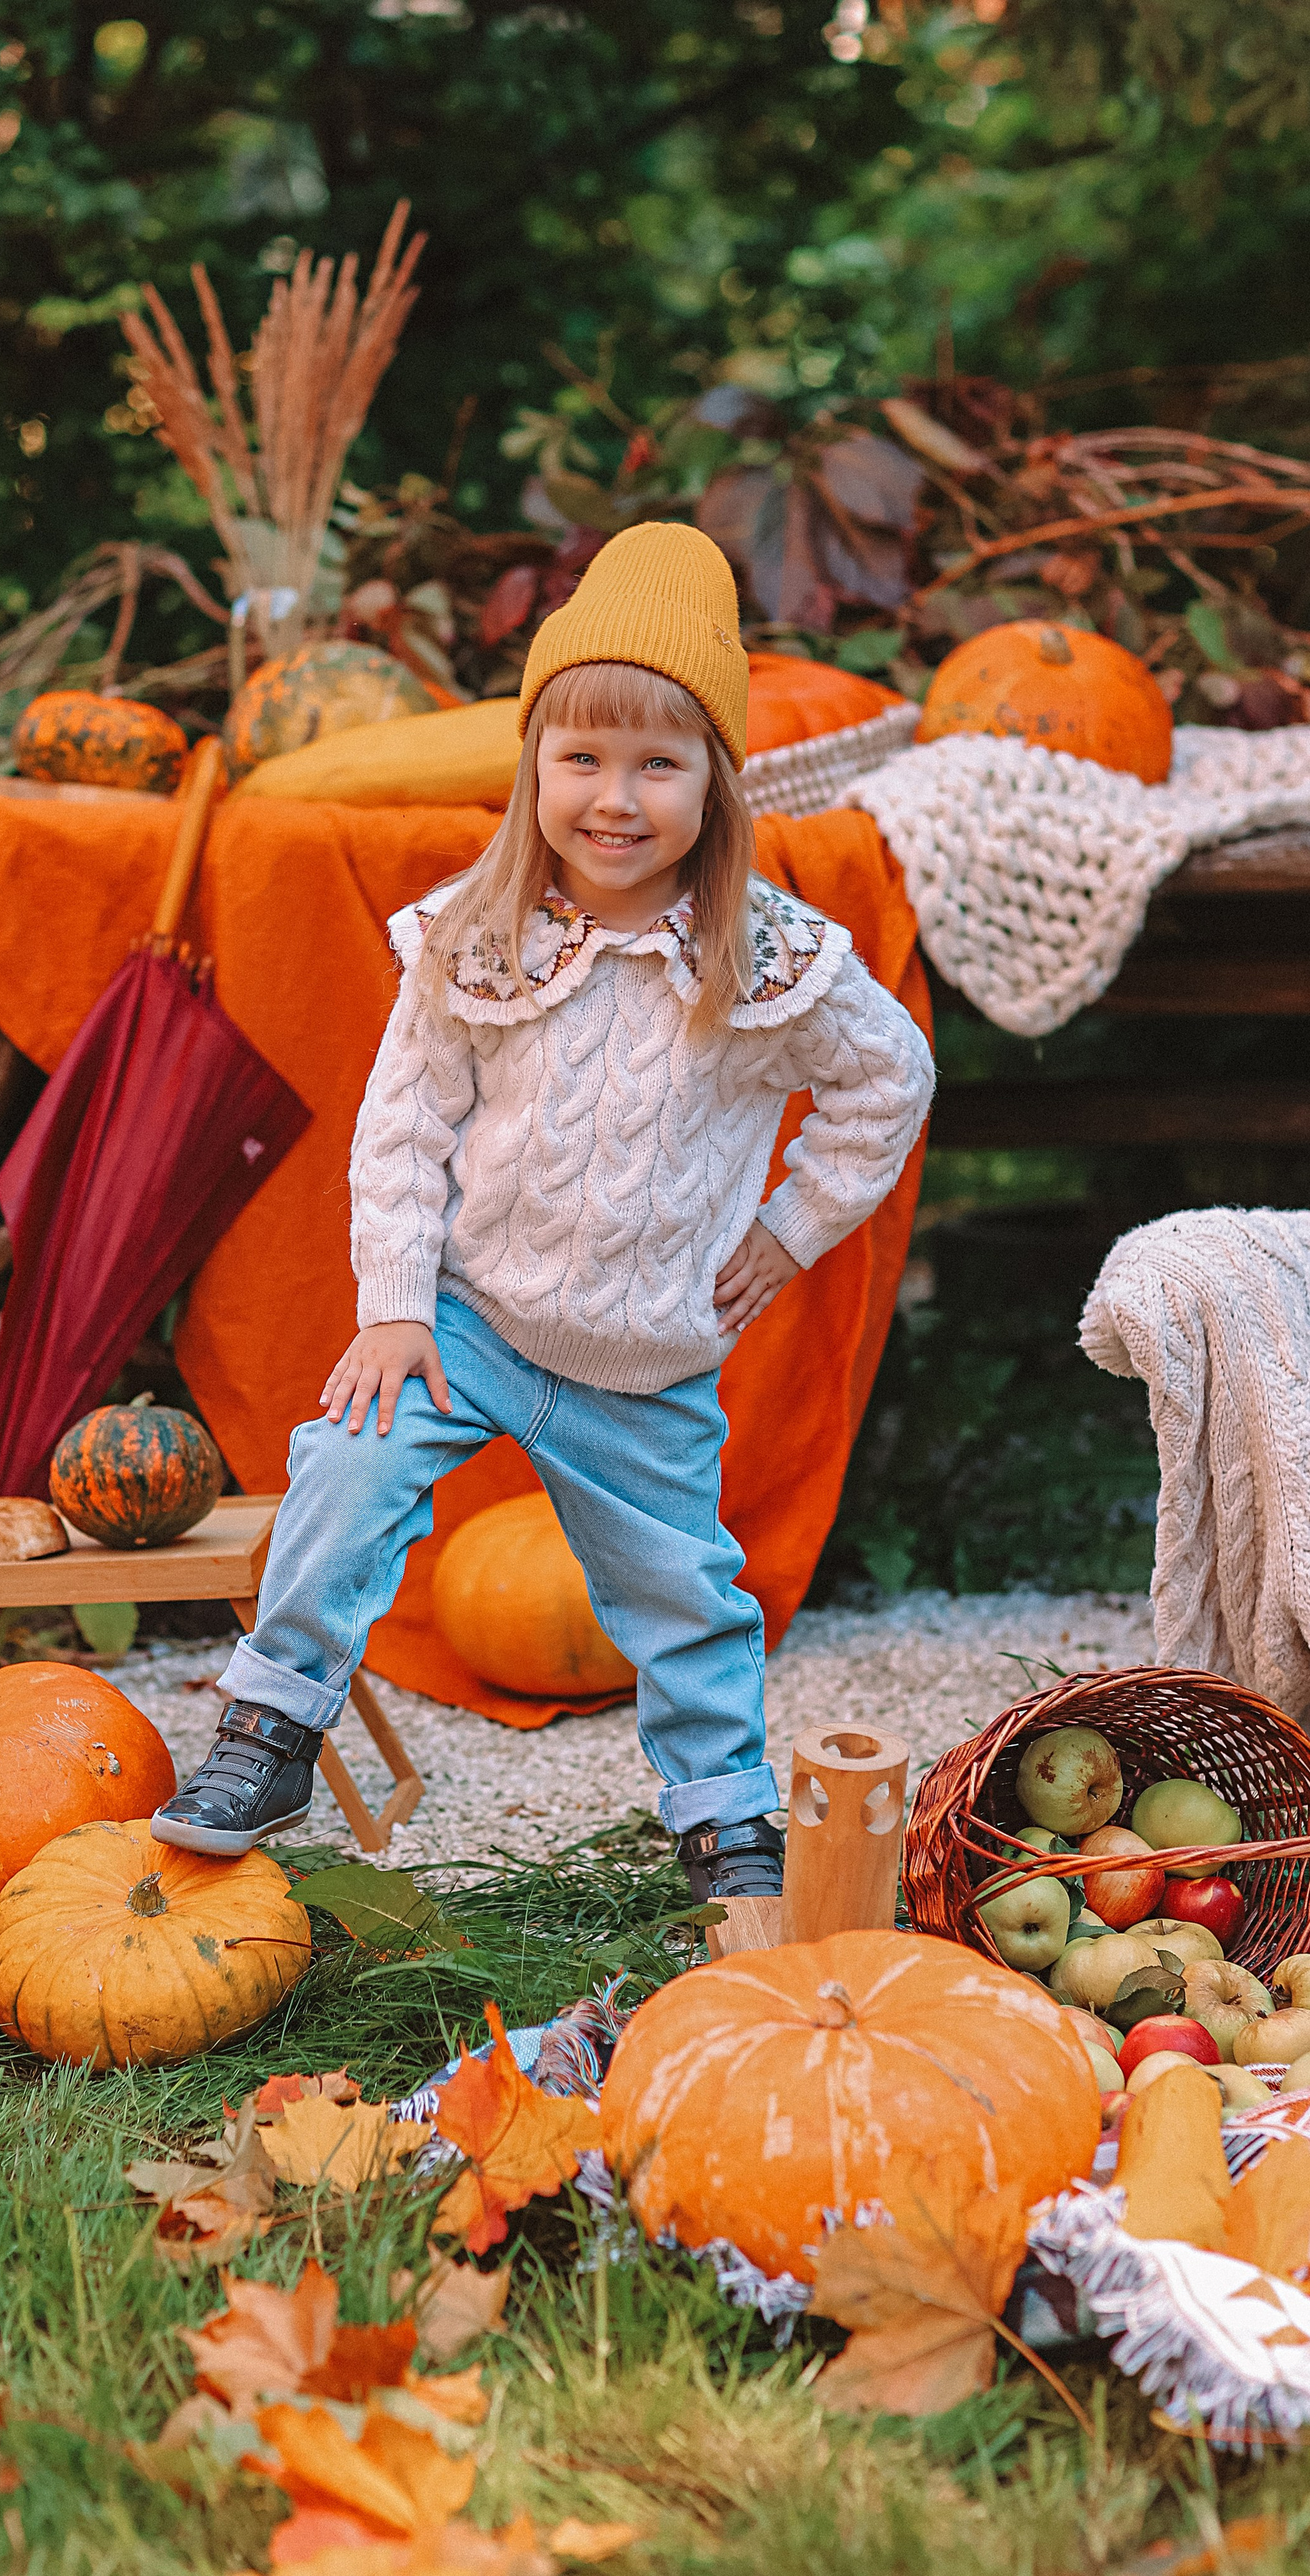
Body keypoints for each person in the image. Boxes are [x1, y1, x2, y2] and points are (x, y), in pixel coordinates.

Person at [152, 522, 933, 1904]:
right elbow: (404, 1127)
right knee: (343, 1471)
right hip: (471, 1318)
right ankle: (269, 1728)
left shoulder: (763, 957)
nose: (614, 798)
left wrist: (789, 1228)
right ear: (532, 769)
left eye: (658, 763)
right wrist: (396, 1307)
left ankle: (722, 1811)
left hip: (647, 1359)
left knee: (686, 1594)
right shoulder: (477, 934)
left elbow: (891, 1078)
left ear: (716, 781)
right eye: (581, 758)